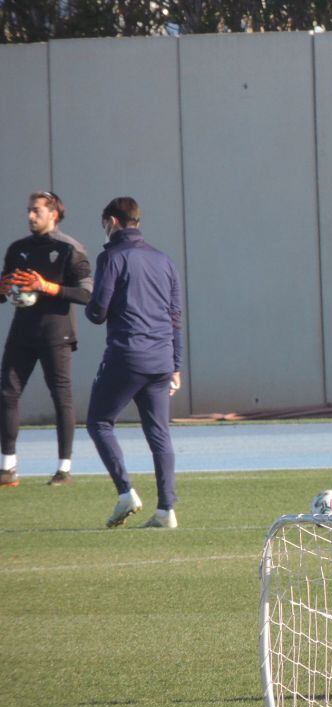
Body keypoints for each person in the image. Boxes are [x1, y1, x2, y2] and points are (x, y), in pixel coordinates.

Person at [85, 197, 183, 529]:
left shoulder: (111, 257)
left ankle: (125, 491)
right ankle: (166, 510)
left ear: (112, 221)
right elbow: (175, 317)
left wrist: (92, 302)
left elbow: (97, 313)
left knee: (99, 421)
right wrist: (176, 365)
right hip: (160, 359)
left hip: (127, 355)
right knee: (159, 435)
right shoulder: (163, 260)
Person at [0, 191, 93, 488]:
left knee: (61, 397)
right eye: (28, 210)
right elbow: (6, 291)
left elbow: (88, 294)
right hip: (22, 332)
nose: (30, 216)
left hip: (56, 333)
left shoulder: (70, 249)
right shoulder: (17, 248)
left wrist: (47, 286)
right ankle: (7, 467)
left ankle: (64, 470)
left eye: (36, 211)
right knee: (6, 394)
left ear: (53, 213)